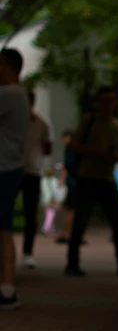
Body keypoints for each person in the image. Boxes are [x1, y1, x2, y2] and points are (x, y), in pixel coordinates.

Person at [65, 86, 118, 277]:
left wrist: (113, 156)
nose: (107, 104)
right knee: (80, 221)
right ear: (98, 102)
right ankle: (72, 264)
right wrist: (98, 153)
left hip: (108, 178)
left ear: (115, 102)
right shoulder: (89, 121)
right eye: (103, 100)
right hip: (88, 176)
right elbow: (74, 145)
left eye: (111, 100)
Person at [0, 48, 30, 309]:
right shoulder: (18, 94)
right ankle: (6, 286)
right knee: (4, 228)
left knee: (3, 230)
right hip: (11, 168)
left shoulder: (8, 94)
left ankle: (7, 287)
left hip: (4, 169)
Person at [21, 89, 54, 267]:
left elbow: (49, 146)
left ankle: (28, 252)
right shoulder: (12, 121)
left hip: (32, 171)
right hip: (13, 169)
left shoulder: (41, 123)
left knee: (30, 214)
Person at [56, 130, 78, 243]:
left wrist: (62, 179)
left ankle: (66, 233)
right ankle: (73, 234)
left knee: (69, 209)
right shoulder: (79, 148)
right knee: (74, 209)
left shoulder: (70, 149)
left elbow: (67, 166)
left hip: (73, 183)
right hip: (77, 182)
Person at [40, 166, 60, 235]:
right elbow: (41, 190)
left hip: (53, 199)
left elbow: (57, 191)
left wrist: (55, 199)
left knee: (50, 214)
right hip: (45, 200)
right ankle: (49, 228)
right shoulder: (43, 180)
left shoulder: (55, 180)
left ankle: (47, 228)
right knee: (49, 214)